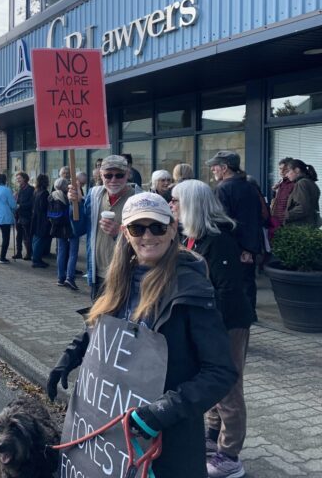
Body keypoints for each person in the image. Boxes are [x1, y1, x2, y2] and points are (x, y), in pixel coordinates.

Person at [48, 192, 238, 478]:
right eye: (138, 228)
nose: (148, 236)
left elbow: (221, 372)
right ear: (125, 233)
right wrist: (70, 356)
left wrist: (163, 411)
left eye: (157, 227)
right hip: (114, 432)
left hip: (168, 441)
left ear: (173, 229)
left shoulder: (191, 290)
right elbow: (102, 328)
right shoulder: (121, 278)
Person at [171, 180, 253, 478]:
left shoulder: (218, 240)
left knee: (229, 385)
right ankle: (213, 434)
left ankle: (230, 454)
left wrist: (206, 323)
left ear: (191, 204)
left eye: (176, 201)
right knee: (211, 381)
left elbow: (228, 290)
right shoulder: (193, 236)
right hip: (210, 323)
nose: (171, 206)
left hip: (227, 323)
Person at [68, 155, 142, 300]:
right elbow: (79, 229)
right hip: (99, 275)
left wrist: (119, 233)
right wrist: (75, 204)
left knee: (124, 321)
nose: (113, 180)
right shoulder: (94, 195)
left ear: (128, 174)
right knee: (99, 321)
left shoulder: (140, 199)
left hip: (127, 275)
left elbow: (147, 240)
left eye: (119, 175)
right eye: (108, 175)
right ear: (101, 175)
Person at [207, 151, 263, 320]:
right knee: (247, 281)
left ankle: (240, 321)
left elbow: (222, 221)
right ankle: (250, 315)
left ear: (224, 168)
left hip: (233, 245)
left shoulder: (223, 188)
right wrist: (250, 248)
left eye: (215, 166)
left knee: (233, 285)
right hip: (249, 244)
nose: (213, 170)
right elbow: (255, 218)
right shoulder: (249, 186)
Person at [50, 177, 78, 290]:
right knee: (73, 253)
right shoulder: (68, 196)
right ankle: (69, 277)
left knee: (61, 252)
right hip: (70, 227)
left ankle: (60, 277)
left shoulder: (51, 196)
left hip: (58, 227)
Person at [284, 159, 321, 227]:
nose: (286, 175)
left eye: (288, 171)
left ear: (297, 170)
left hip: (300, 228)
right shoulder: (310, 182)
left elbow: (302, 208)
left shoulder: (301, 183)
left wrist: (283, 216)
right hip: (308, 227)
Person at [269, 157, 295, 239]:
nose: (281, 172)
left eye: (285, 169)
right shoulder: (281, 183)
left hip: (287, 223)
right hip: (277, 222)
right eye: (280, 169)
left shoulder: (293, 184)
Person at [30, 173, 51, 268]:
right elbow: (44, 207)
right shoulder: (45, 193)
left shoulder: (36, 191)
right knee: (40, 239)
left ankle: (35, 257)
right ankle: (36, 260)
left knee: (36, 238)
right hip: (42, 219)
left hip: (35, 217)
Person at [13, 172, 34, 260]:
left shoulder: (30, 189)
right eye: (17, 178)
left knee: (27, 235)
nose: (18, 180)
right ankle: (19, 253)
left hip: (26, 215)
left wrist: (20, 205)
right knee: (19, 235)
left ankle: (29, 253)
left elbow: (31, 203)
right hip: (18, 215)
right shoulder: (20, 189)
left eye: (19, 178)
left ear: (25, 178)